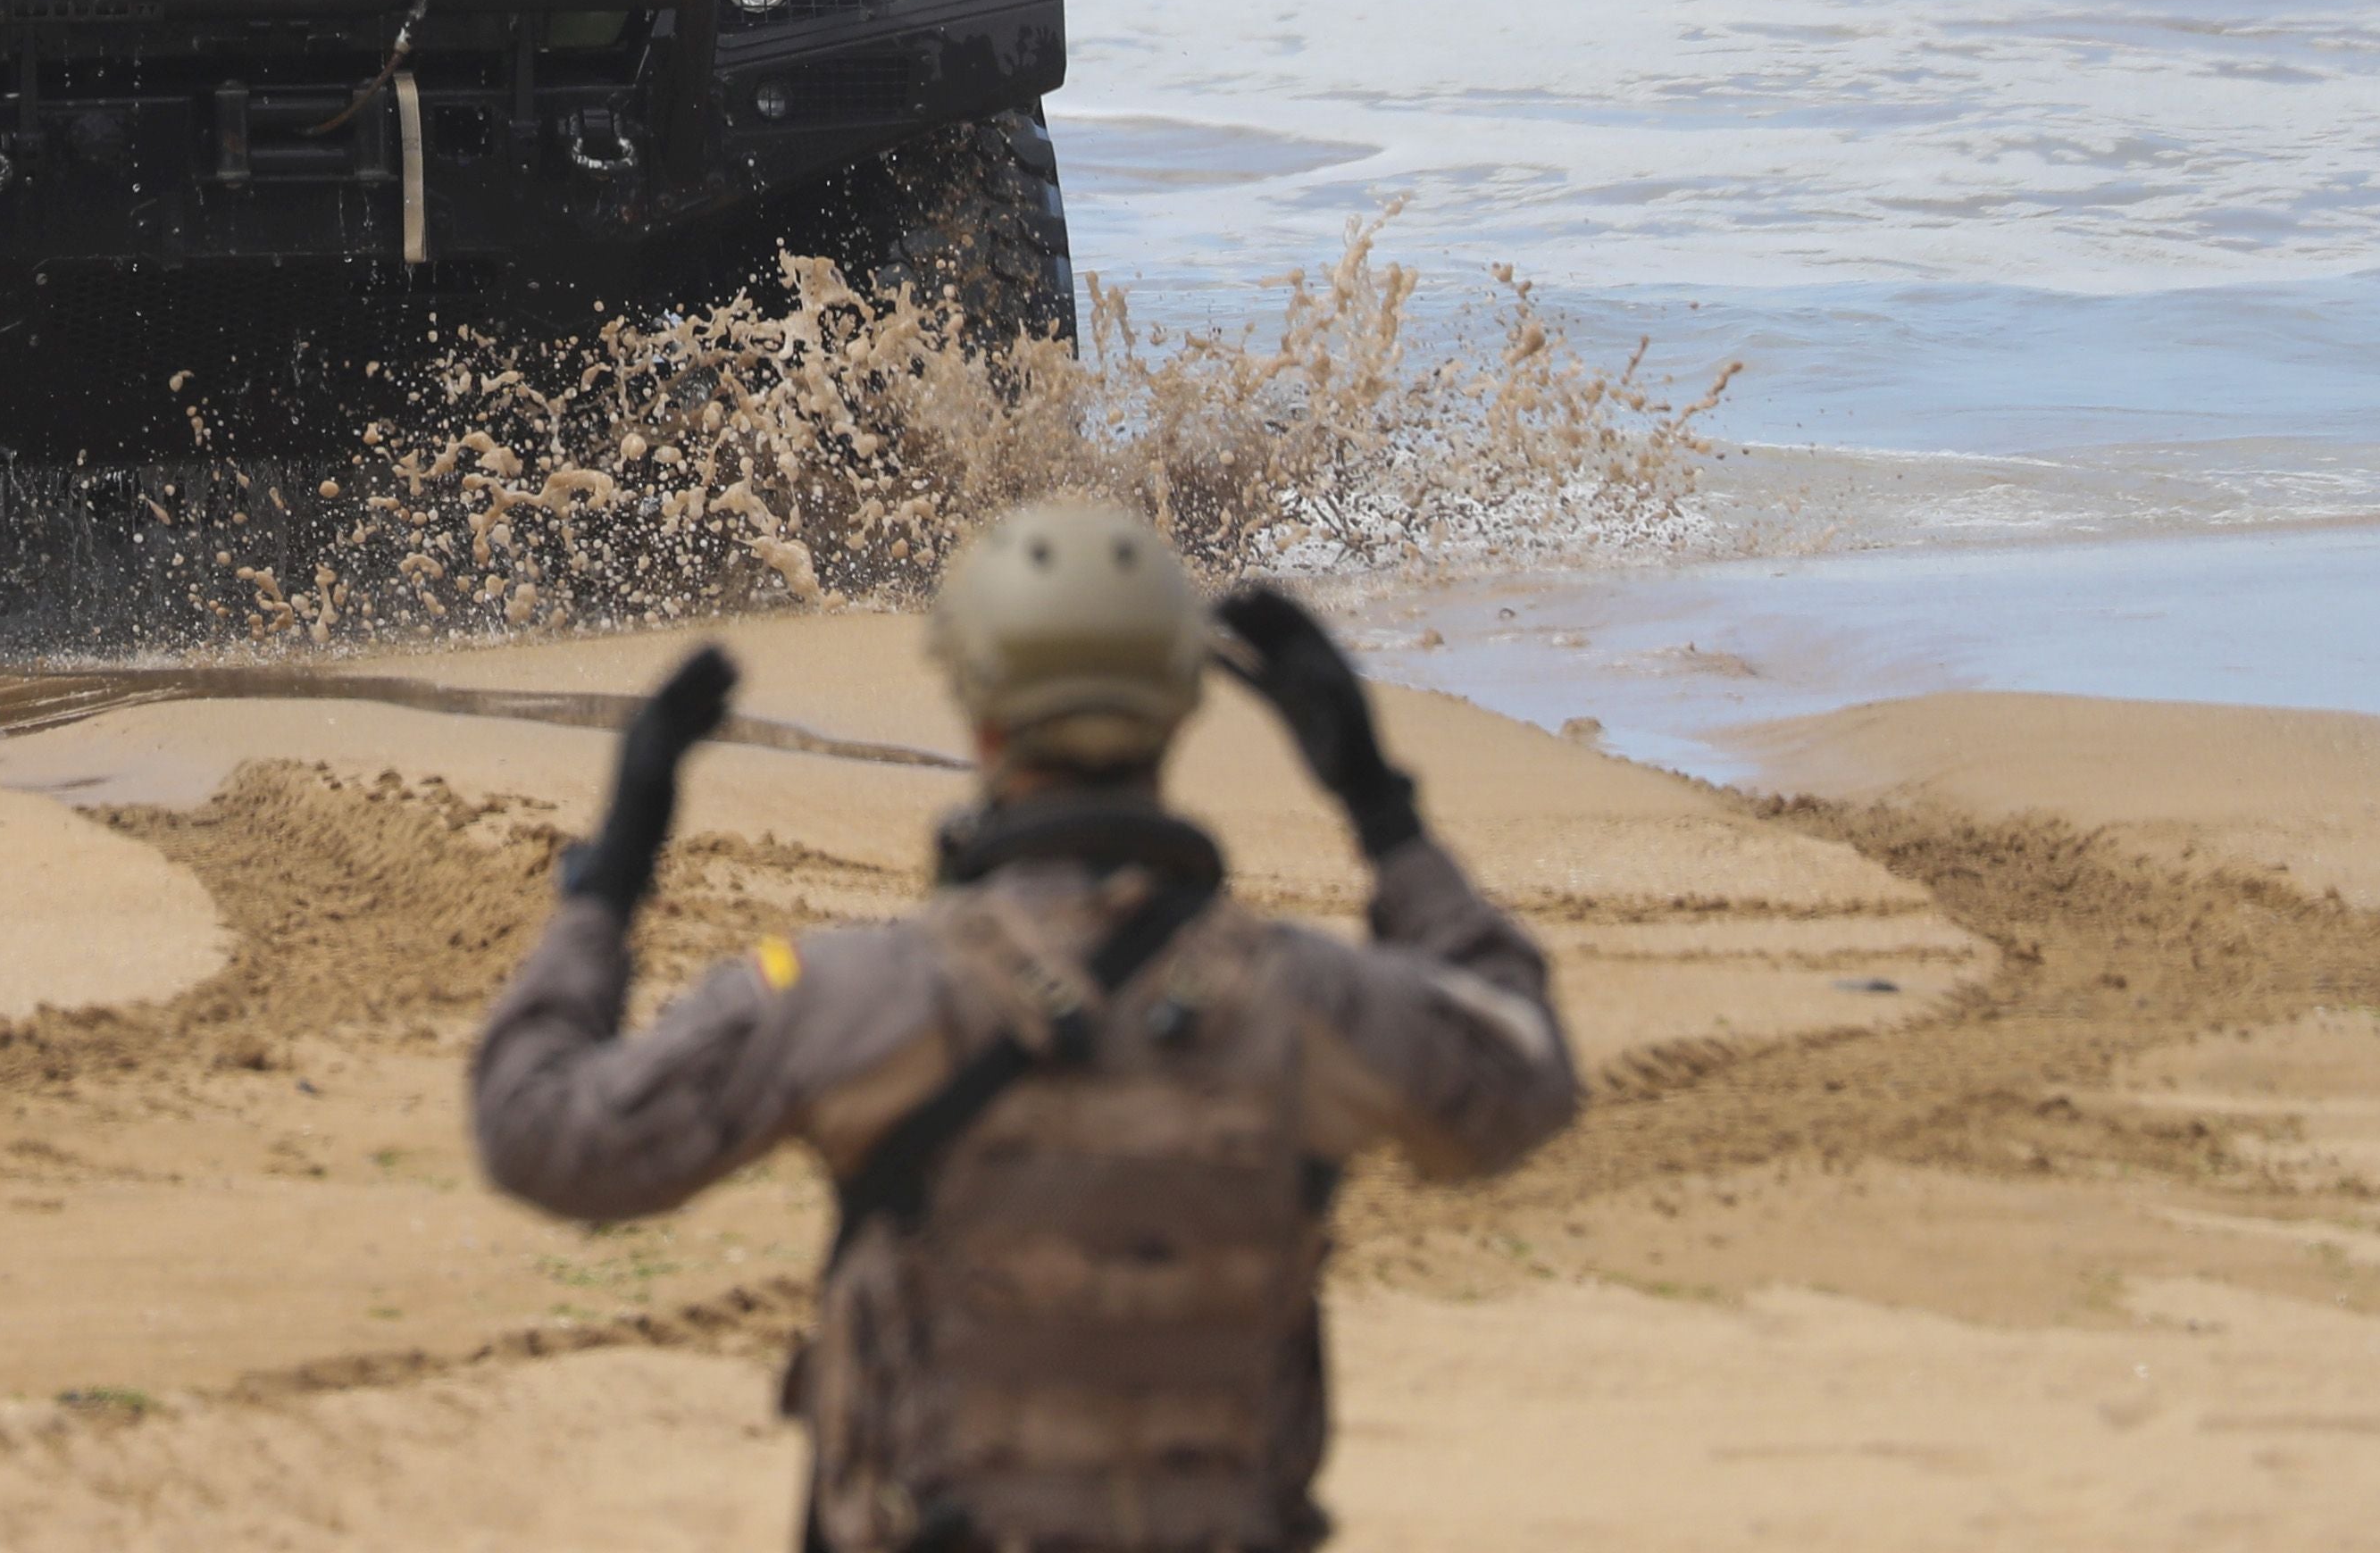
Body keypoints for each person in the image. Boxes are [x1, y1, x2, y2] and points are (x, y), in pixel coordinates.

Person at [467, 506, 1582, 1553]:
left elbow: (542, 1132)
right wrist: (1385, 816)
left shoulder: (853, 997)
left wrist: (608, 884)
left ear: (980, 713)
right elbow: (1522, 1076)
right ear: (1185, 709)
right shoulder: (1307, 1001)